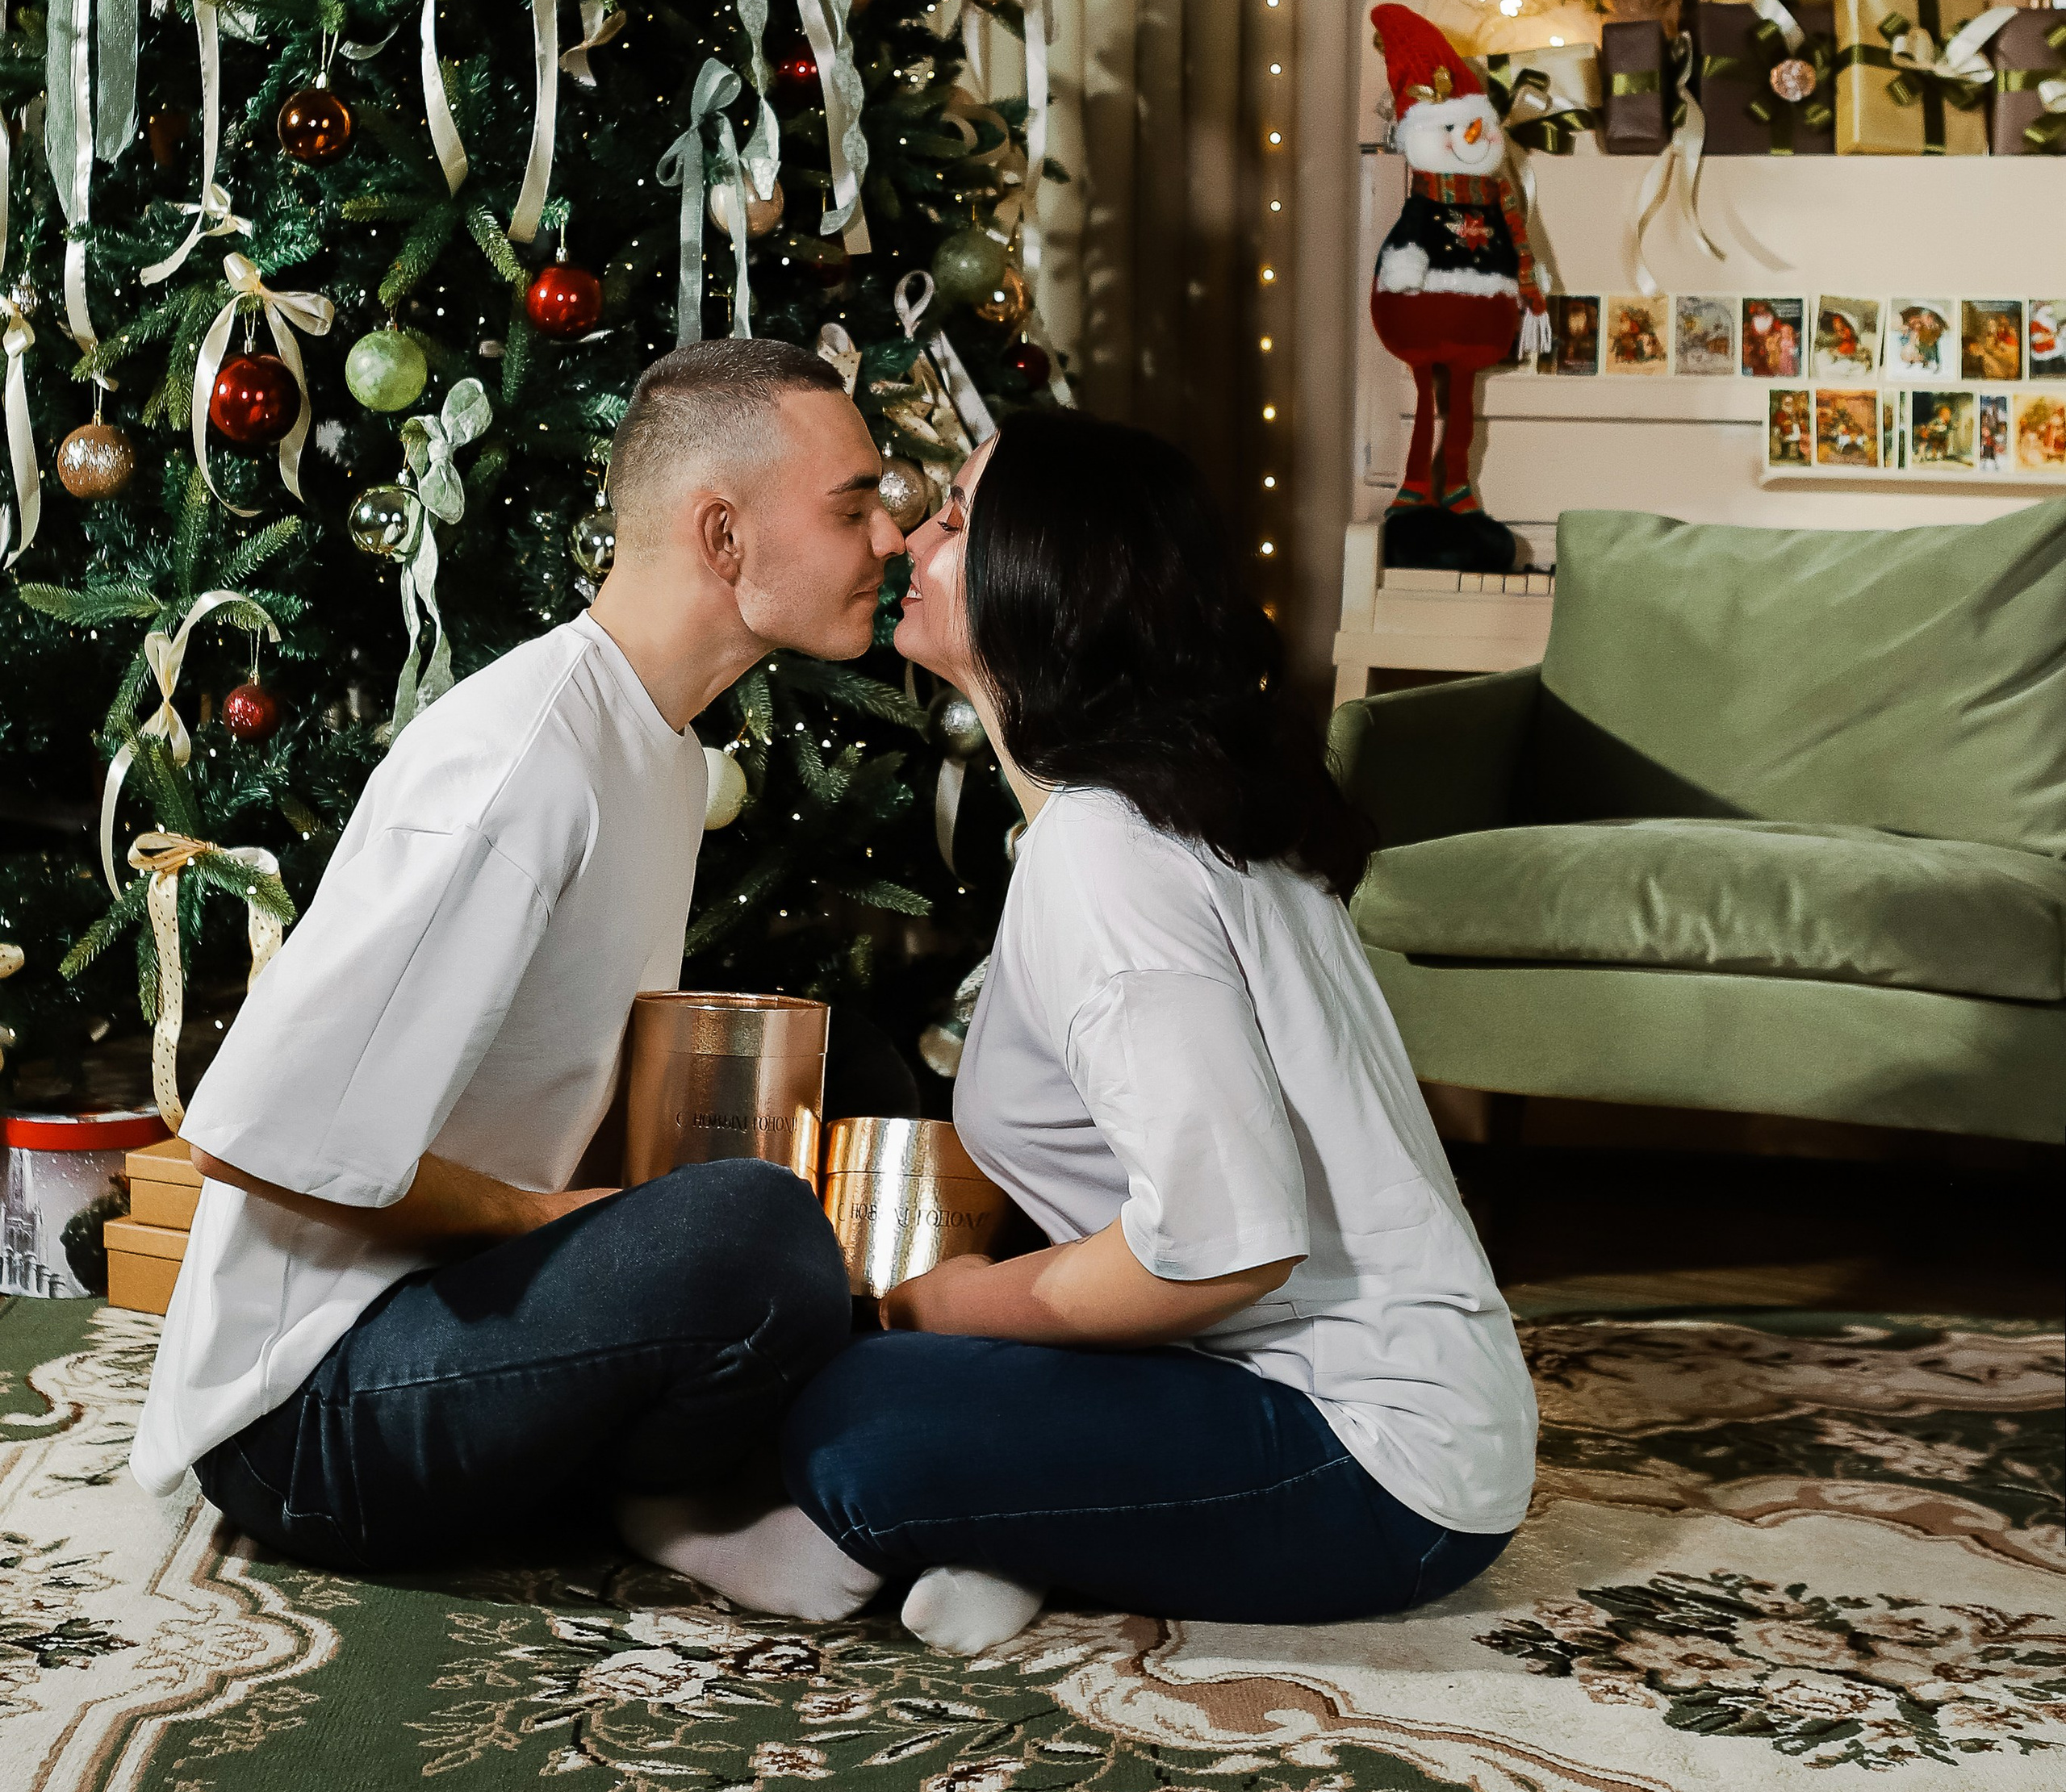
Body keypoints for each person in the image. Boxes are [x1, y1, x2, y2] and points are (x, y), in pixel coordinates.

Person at [638, 409, 1537, 1656]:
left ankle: (874, 1526)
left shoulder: (1107, 852)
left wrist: (956, 1308)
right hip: (1271, 1395)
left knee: (858, 1416)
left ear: (1039, 583)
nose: (910, 537)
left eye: (954, 519)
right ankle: (1019, 1537)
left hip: (1376, 1466)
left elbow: (1223, 1253)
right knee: (881, 1350)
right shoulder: (1151, 815)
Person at [129, 338, 904, 1571]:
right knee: (753, 1240)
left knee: (840, 1062)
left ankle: (810, 1459)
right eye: (854, 506)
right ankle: (686, 1506)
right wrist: (537, 1218)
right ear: (724, 536)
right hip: (309, 1414)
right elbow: (253, 1131)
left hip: (451, 1325)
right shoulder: (522, 762)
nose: (890, 541)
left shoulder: (659, 742)